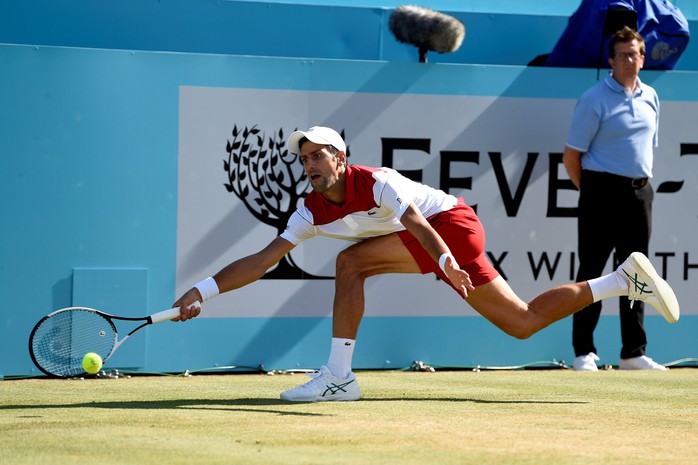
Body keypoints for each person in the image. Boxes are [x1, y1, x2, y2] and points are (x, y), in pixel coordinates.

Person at [173, 125, 679, 402]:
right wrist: (203, 290)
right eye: (303, 159)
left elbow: (417, 223)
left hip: (450, 226)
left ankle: (338, 376)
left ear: (341, 157)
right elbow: (262, 260)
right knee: (521, 323)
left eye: (317, 156)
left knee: (350, 263)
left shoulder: (377, 181)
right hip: (444, 243)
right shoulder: (309, 209)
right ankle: (620, 279)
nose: (309, 166)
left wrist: (444, 259)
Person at [563, 26, 668, 371]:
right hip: (600, 192)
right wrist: (592, 193)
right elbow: (571, 156)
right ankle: (583, 351)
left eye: (633, 54)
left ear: (642, 58)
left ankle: (632, 352)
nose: (628, 60)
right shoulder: (594, 98)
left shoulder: (651, 96)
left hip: (640, 193)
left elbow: (644, 150)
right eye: (621, 55)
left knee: (637, 273)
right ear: (611, 60)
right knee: (592, 271)